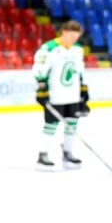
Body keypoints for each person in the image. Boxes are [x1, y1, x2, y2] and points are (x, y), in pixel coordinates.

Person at [32, 19, 88, 168]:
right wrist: (42, 90)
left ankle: (68, 152)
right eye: (72, 36)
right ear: (64, 32)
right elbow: (39, 70)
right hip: (55, 95)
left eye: (76, 37)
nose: (74, 39)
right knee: (51, 124)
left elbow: (80, 72)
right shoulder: (49, 49)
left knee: (72, 124)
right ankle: (43, 154)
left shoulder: (78, 49)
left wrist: (84, 92)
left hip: (72, 95)